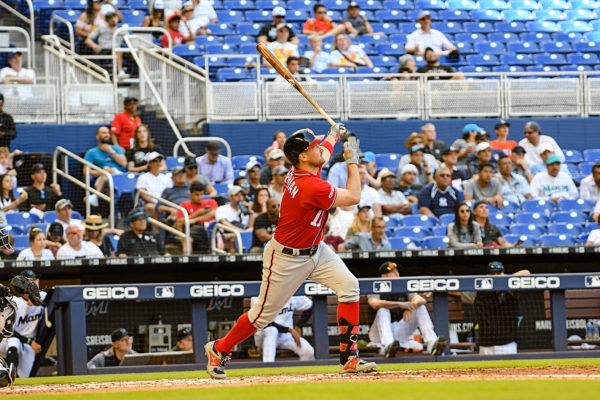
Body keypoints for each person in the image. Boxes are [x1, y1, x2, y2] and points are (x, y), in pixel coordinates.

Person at [204, 126, 377, 379]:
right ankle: (219, 349)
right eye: (313, 146)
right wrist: (352, 161)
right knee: (262, 316)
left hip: (316, 251)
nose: (320, 149)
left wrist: (333, 135)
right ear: (303, 156)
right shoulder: (309, 185)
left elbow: (324, 153)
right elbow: (353, 196)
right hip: (286, 258)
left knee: (349, 286)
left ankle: (348, 358)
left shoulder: (306, 166)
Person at [368, 262, 447, 357]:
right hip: (378, 334)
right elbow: (374, 303)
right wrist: (400, 304)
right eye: (393, 272)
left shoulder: (403, 285)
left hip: (399, 330)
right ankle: (388, 346)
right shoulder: (376, 285)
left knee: (420, 307)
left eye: (397, 271)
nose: (397, 274)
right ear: (383, 276)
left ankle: (432, 344)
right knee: (383, 310)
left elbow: (420, 299)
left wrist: (411, 307)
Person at [459, 261, 530, 355]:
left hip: (507, 345)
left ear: (504, 274)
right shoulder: (478, 291)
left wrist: (503, 282)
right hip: (485, 346)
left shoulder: (512, 289)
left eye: (498, 273)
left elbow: (526, 272)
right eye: (492, 274)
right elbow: (455, 290)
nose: (495, 276)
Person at [0, 270, 45, 378]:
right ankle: (6, 374)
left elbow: (53, 299)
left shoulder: (43, 296)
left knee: (24, 377)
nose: (34, 283)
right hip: (9, 339)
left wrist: (38, 301)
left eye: (35, 280)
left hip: (29, 344)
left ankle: (11, 378)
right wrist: (29, 342)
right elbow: (8, 331)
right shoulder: (12, 301)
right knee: (14, 342)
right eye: (31, 281)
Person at [250, 296, 314, 362]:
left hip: (287, 336)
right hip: (264, 335)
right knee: (272, 330)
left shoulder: (290, 290)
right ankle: (268, 367)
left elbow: (310, 306)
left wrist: (298, 325)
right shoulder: (258, 294)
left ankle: (300, 372)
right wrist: (290, 330)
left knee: (308, 351)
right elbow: (266, 323)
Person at [83, 125, 127, 204]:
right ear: (97, 136)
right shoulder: (91, 152)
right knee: (106, 171)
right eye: (104, 133)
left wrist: (111, 151)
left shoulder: (116, 148)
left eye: (108, 133)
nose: (107, 135)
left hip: (118, 175)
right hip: (102, 178)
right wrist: (101, 172)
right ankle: (115, 213)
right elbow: (86, 171)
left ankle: (95, 196)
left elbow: (124, 164)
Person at [176, 180, 217, 254]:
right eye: (197, 195)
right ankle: (186, 260)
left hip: (211, 228)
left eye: (201, 194)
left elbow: (213, 213)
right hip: (194, 230)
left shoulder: (210, 201)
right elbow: (179, 222)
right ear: (190, 194)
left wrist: (195, 219)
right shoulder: (184, 205)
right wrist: (197, 213)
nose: (200, 197)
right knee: (187, 238)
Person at [84, 11, 127, 79]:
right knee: (118, 50)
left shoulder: (122, 31)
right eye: (110, 18)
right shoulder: (101, 29)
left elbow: (130, 42)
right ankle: (120, 72)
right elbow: (88, 40)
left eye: (114, 17)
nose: (113, 19)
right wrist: (94, 46)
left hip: (117, 50)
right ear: (107, 20)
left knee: (135, 51)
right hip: (104, 50)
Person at [135, 152, 172, 219]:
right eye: (155, 161)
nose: (158, 163)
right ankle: (159, 229)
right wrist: (157, 205)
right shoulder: (143, 177)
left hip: (165, 204)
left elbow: (170, 194)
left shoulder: (166, 178)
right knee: (151, 207)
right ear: (149, 163)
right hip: (150, 204)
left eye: (159, 160)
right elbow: (143, 196)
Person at [215, 185, 251, 253]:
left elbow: (251, 228)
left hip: (243, 237)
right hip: (228, 239)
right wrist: (240, 232)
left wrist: (250, 213)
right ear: (230, 197)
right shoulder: (222, 209)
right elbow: (224, 223)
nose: (240, 198)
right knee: (231, 238)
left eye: (242, 195)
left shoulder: (245, 210)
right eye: (237, 195)